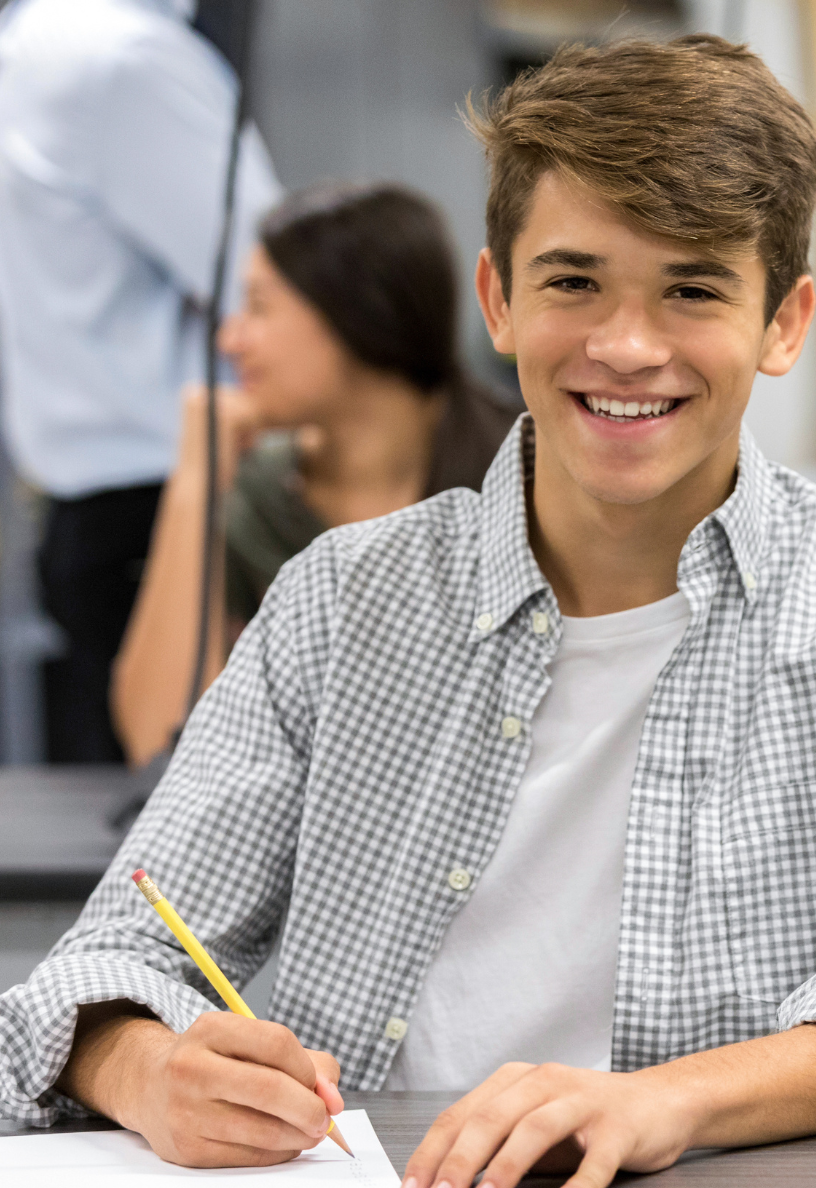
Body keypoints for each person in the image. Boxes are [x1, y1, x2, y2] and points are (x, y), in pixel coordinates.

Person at [0, 35, 816, 1188]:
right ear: (498, 300)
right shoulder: (343, 601)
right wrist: (146, 1069)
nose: (626, 347)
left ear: (784, 324)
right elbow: (107, 963)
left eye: (692, 290)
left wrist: (671, 1100)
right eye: (574, 283)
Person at [110, 183, 516, 768]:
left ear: (358, 310)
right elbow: (158, 739)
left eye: (258, 307)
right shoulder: (256, 497)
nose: (230, 339)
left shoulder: (526, 472)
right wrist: (194, 485)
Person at [0, 0, 281, 762]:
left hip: (99, 513)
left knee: (136, 804)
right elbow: (277, 287)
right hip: (164, 506)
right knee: (192, 804)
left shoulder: (43, 39)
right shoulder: (126, 58)